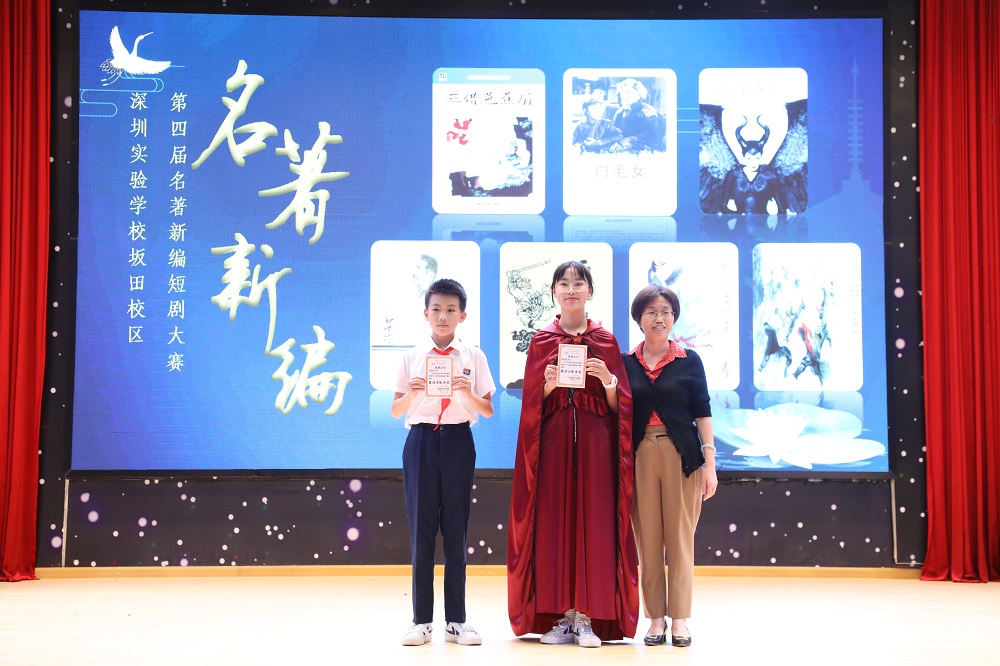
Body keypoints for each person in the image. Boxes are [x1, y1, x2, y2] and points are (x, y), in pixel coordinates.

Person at [507, 261, 638, 648]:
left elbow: (619, 408)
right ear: (554, 292)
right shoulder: (542, 341)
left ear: (589, 292)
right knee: (554, 525)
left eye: (578, 283)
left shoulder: (606, 341)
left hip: (597, 447)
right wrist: (547, 386)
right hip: (554, 446)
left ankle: (587, 617)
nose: (570, 289)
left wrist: (608, 381)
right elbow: (532, 406)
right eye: (563, 284)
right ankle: (562, 616)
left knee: (596, 525)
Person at [391, 278, 496, 646]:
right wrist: (412, 393)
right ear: (425, 313)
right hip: (420, 441)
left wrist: (466, 393)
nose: (443, 316)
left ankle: (456, 621)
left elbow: (487, 410)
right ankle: (421, 621)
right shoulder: (411, 356)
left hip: (458, 441)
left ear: (462, 315)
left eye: (451, 309)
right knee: (421, 532)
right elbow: (396, 410)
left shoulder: (473, 356)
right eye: (436, 309)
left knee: (455, 531)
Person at [621, 285, 718, 648]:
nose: (659, 318)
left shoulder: (689, 360)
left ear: (674, 317)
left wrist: (710, 463)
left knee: (680, 540)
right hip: (640, 455)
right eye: (651, 312)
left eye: (665, 312)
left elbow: (703, 412)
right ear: (639, 319)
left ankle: (679, 619)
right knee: (647, 542)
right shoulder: (625, 362)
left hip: (684, 458)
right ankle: (655, 619)